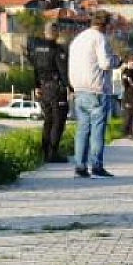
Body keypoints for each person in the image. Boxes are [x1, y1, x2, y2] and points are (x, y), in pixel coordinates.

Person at [68, 10, 118, 177]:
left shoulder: (78, 39)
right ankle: (96, 166)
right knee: (97, 130)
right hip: (96, 90)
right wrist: (117, 60)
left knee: (82, 129)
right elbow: (105, 63)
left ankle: (80, 166)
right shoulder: (99, 38)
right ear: (105, 25)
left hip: (79, 90)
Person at [26, 23, 70, 162]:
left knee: (48, 120)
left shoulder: (36, 49)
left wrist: (36, 86)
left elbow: (34, 69)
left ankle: (44, 151)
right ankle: (52, 153)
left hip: (43, 88)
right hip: (56, 88)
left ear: (45, 33)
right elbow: (63, 71)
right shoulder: (57, 49)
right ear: (56, 33)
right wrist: (70, 87)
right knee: (58, 120)